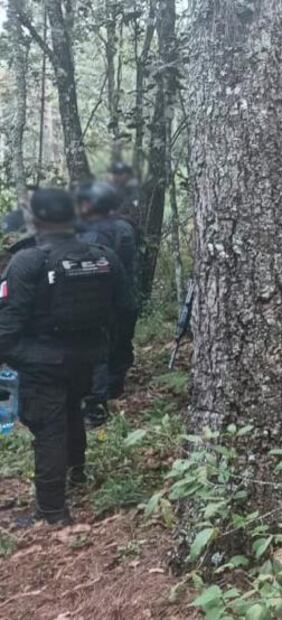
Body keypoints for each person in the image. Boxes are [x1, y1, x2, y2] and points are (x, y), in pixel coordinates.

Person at [0, 189, 132, 527]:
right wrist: (114, 363)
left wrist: (22, 360)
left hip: (44, 360)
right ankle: (77, 476)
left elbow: (6, 327)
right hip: (87, 357)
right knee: (72, 411)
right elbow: (126, 310)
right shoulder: (104, 257)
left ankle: (52, 510)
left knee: (50, 429)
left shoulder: (27, 262)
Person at [76, 183, 139, 427]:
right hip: (123, 296)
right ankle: (115, 386)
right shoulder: (125, 227)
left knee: (100, 349)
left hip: (102, 298)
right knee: (120, 342)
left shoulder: (93, 230)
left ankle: (98, 402)